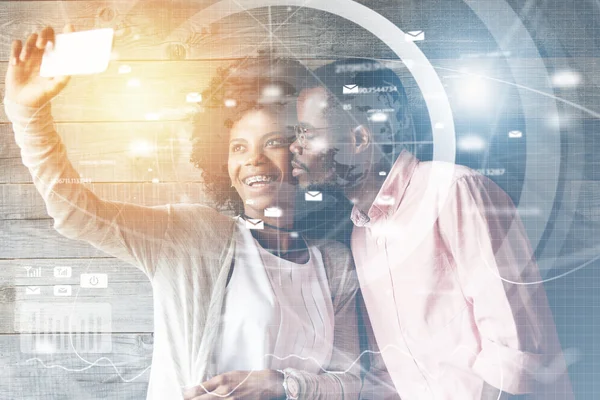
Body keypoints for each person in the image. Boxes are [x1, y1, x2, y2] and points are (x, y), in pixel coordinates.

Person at [4, 25, 363, 400]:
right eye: (238, 147)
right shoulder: (194, 234)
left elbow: (352, 383)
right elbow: (76, 213)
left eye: (272, 142)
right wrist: (29, 115)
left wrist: (281, 384)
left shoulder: (334, 265)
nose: (253, 159)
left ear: (301, 152)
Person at [289, 58, 575, 399]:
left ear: (360, 138)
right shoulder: (361, 234)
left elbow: (515, 359)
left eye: (307, 132)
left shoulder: (453, 191)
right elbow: (393, 371)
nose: (295, 145)